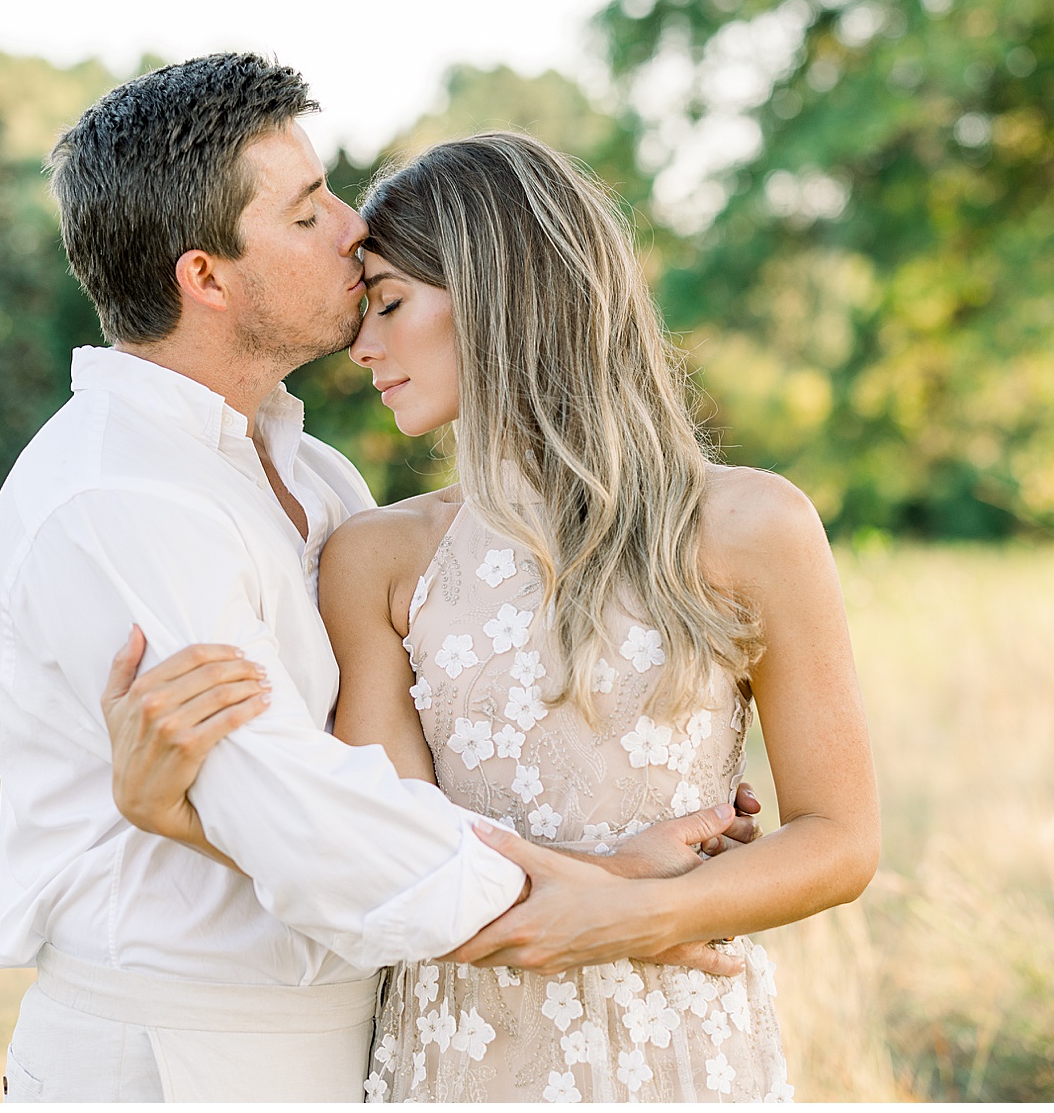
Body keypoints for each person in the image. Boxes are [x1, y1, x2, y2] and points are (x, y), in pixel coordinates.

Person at [0, 55, 760, 1104]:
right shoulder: (119, 500)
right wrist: (613, 895)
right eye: (305, 215)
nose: (352, 228)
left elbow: (384, 777)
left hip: (368, 1033)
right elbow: (303, 820)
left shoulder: (311, 473)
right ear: (205, 277)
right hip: (179, 1053)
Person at [107, 133, 880, 1102]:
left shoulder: (750, 525)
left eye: (387, 302)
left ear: (500, 293)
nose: (362, 344)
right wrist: (627, 889)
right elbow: (373, 849)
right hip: (457, 1048)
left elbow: (840, 840)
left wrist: (620, 917)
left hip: (682, 1049)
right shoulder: (377, 559)